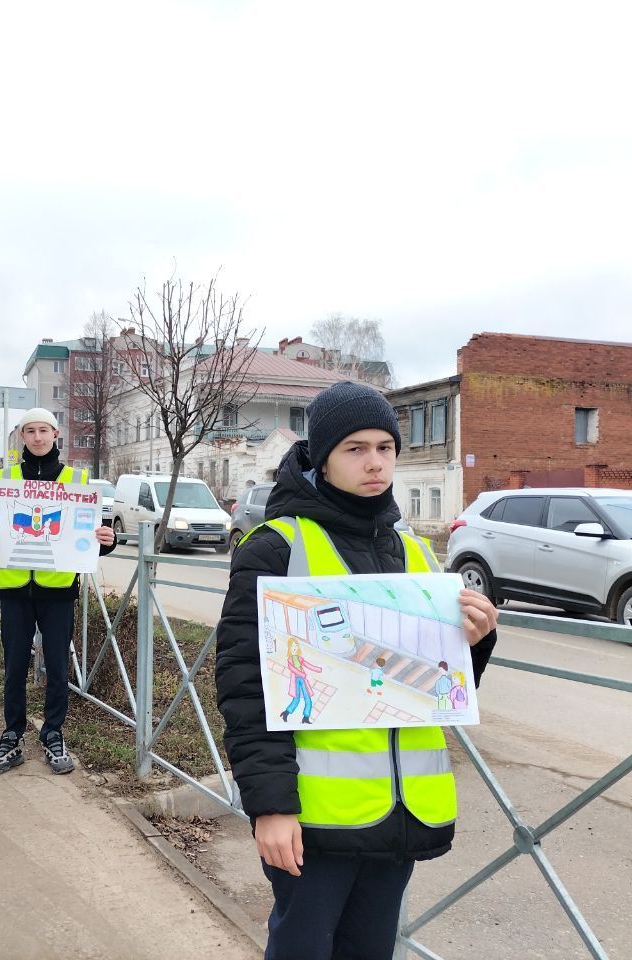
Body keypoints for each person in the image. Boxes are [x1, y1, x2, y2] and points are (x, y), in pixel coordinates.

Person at [214, 381, 499, 960]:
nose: (375, 463)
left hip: (401, 811)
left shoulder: (413, 551)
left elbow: (437, 686)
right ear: (322, 457)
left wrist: (476, 640)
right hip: (314, 818)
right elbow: (245, 688)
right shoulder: (276, 548)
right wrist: (270, 806)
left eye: (385, 448)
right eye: (355, 449)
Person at [0, 408, 116, 776]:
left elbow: (94, 537)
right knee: (14, 666)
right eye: (29, 431)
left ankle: (53, 733)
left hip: (58, 590)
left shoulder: (77, 480)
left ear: (55, 435)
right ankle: (12, 736)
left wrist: (108, 540)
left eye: (43, 431)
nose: (37, 437)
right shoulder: (2, 482)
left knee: (57, 666)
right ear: (22, 437)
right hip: (15, 590)